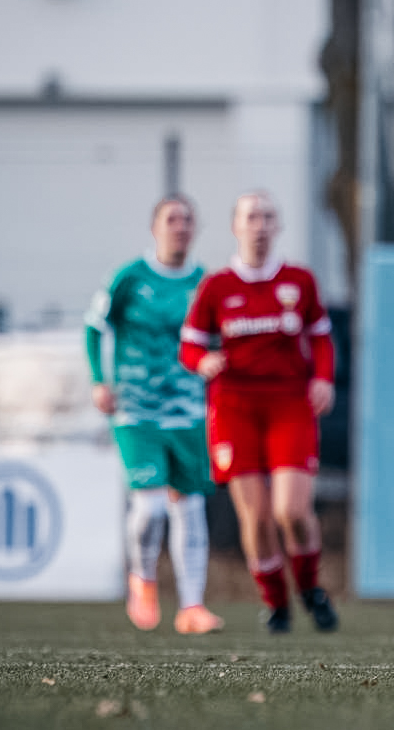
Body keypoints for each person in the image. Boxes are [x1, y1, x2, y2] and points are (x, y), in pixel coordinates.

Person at [179, 190, 339, 634]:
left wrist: (322, 377)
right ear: (236, 226)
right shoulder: (217, 286)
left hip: (289, 404)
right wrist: (202, 361)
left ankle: (310, 589)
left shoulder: (299, 281)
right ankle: (276, 604)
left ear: (278, 225)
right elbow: (190, 344)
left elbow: (322, 337)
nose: (260, 225)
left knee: (291, 511)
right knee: (258, 516)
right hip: (233, 408)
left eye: (269, 216)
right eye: (252, 217)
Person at [85, 193, 225, 635]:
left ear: (195, 228)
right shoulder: (129, 278)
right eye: (171, 219)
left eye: (187, 220)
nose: (179, 227)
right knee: (150, 509)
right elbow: (94, 327)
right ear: (155, 227)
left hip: (189, 413)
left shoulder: (205, 283)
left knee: (191, 508)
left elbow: (222, 338)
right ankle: (142, 578)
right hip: (136, 412)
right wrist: (98, 380)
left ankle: (192, 607)